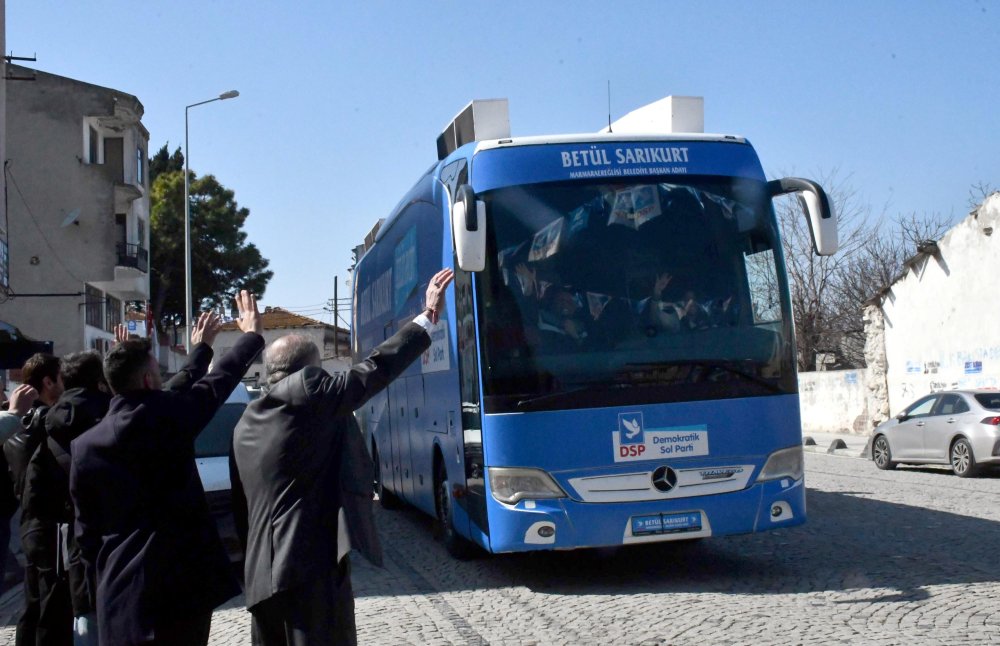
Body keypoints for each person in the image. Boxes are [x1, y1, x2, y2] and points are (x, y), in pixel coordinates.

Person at [232, 268, 453, 646]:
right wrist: (427, 317)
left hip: (261, 580)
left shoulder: (245, 422)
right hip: (306, 573)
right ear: (312, 371)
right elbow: (373, 370)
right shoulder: (307, 392)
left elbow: (243, 510)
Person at [70, 295, 263, 646]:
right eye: (158, 373)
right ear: (148, 380)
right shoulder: (169, 418)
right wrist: (250, 336)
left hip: (119, 589)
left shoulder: (84, 446)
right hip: (180, 587)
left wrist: (201, 350)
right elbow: (216, 383)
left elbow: (86, 533)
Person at [3, 353, 64, 646]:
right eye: (62, 378)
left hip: (27, 521)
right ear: (48, 382)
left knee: (32, 603)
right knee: (49, 607)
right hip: (48, 522)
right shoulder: (43, 422)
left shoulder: (15, 425)